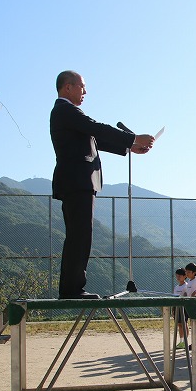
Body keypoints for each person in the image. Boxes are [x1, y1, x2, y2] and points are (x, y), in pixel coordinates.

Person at [50, 70, 154, 299]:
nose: (85, 91)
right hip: (77, 181)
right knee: (79, 235)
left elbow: (95, 139)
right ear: (68, 87)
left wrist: (130, 148)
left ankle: (73, 288)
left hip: (79, 182)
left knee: (81, 234)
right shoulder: (65, 109)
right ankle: (72, 289)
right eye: (82, 86)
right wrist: (133, 138)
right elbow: (95, 127)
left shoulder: (68, 113)